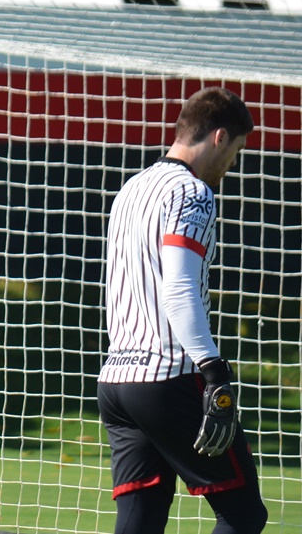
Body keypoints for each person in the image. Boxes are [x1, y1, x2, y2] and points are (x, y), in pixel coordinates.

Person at [97, 87, 268, 534]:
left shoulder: (132, 189)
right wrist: (214, 371)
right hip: (167, 377)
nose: (233, 163)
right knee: (244, 515)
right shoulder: (192, 193)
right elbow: (177, 285)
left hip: (117, 381)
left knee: (140, 521)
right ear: (219, 137)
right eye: (237, 150)